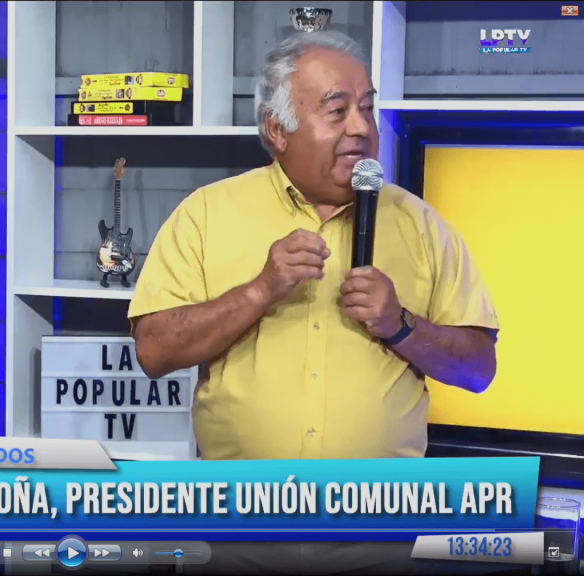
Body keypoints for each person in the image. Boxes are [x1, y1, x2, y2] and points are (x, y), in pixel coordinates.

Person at [129, 32, 500, 575]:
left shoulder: (420, 225)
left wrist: (400, 324)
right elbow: (153, 350)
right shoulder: (206, 214)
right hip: (233, 534)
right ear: (276, 130)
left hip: (380, 539)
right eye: (337, 110)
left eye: (367, 108)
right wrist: (260, 290)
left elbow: (479, 370)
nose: (361, 128)